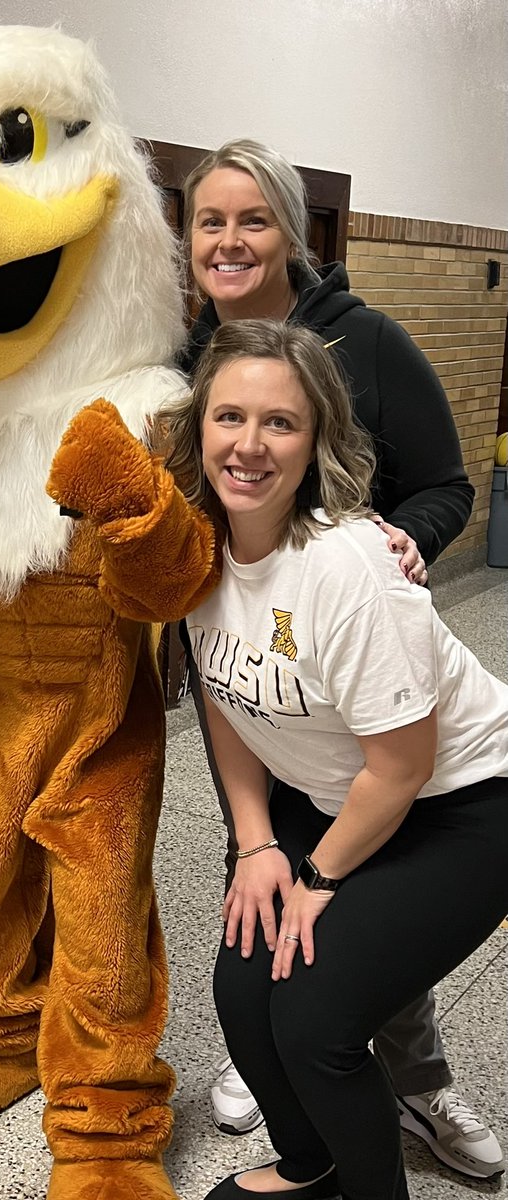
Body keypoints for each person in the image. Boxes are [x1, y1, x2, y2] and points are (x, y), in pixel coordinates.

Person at [176, 139, 502, 1181]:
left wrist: (314, 874)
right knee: (246, 991)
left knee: (314, 1004)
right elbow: (226, 700)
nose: (249, 443)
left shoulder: (347, 555)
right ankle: (315, 1159)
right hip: (324, 775)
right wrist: (259, 843)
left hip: (454, 790)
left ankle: (392, 1129)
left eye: (279, 424)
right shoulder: (199, 540)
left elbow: (402, 770)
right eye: (229, 418)